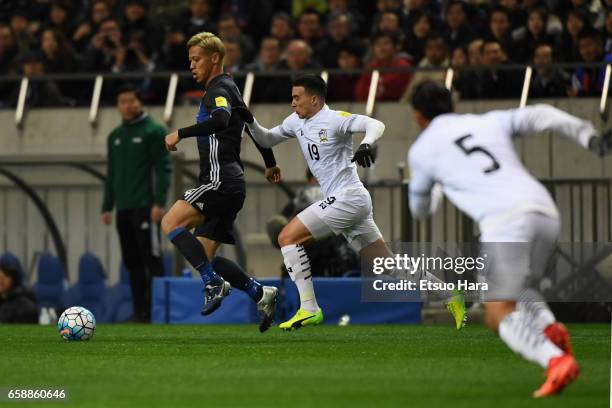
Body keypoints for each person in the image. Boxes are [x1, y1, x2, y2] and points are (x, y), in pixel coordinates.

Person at [406, 80, 611, 397]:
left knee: (496, 309)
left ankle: (554, 360)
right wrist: (587, 135)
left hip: (507, 222)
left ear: (418, 116)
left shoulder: (421, 150)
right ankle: (548, 327)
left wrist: (432, 187)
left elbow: (419, 211)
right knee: (522, 287)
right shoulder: (484, 120)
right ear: (453, 106)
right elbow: (540, 113)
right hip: (545, 211)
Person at [237, 75, 464, 331]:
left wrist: (366, 144)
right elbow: (266, 139)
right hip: (347, 201)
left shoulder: (334, 119)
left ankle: (309, 308)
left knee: (287, 237)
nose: (292, 104)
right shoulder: (295, 122)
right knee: (387, 266)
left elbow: (376, 124)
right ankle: (448, 293)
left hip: (348, 197)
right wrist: (247, 117)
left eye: (296, 98)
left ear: (313, 99)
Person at [161, 32, 281, 333]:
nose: (192, 65)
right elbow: (255, 130)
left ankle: (214, 283)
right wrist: (270, 164)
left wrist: (181, 133)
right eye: (190, 60)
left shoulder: (217, 90)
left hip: (218, 180)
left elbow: (222, 120)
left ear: (215, 58)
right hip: (233, 184)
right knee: (205, 255)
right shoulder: (232, 88)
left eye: (196, 59)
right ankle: (259, 292)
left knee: (170, 222)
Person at [101, 84, 171, 322]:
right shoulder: (115, 137)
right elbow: (112, 174)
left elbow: (163, 168)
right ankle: (140, 311)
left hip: (145, 206)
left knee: (151, 259)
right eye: (122, 101)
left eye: (131, 100)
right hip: (124, 208)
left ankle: (159, 312)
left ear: (139, 102)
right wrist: (107, 206)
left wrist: (159, 202)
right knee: (132, 263)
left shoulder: (153, 131)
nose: (127, 105)